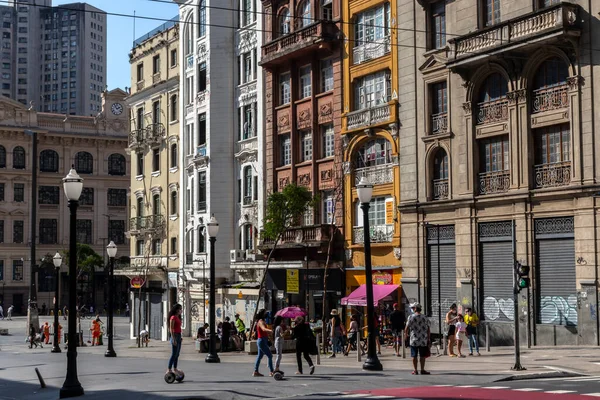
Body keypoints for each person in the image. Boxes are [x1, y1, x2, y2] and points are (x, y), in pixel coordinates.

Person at [404, 302, 430, 375]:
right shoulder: (425, 317)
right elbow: (428, 328)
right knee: (422, 356)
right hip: (423, 339)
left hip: (414, 339)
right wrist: (428, 338)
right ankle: (422, 369)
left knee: (414, 355)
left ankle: (415, 370)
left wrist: (406, 336)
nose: (412, 309)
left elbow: (406, 328)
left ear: (415, 309)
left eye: (412, 308)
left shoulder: (411, 317)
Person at [252, 309, 274, 377]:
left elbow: (264, 331)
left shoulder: (262, 321)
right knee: (270, 355)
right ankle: (271, 371)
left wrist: (269, 337)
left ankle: (256, 371)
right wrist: (270, 330)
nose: (266, 314)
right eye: (265, 313)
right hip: (261, 340)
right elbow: (263, 329)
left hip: (262, 340)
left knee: (259, 356)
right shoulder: (260, 322)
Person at [167, 303, 183, 376]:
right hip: (175, 336)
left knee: (177, 354)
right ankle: (169, 369)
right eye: (180, 309)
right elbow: (171, 328)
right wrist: (173, 339)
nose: (181, 310)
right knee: (174, 354)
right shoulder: (173, 317)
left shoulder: (178, 317)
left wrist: (180, 337)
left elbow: (178, 328)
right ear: (176, 310)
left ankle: (175, 368)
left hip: (179, 335)